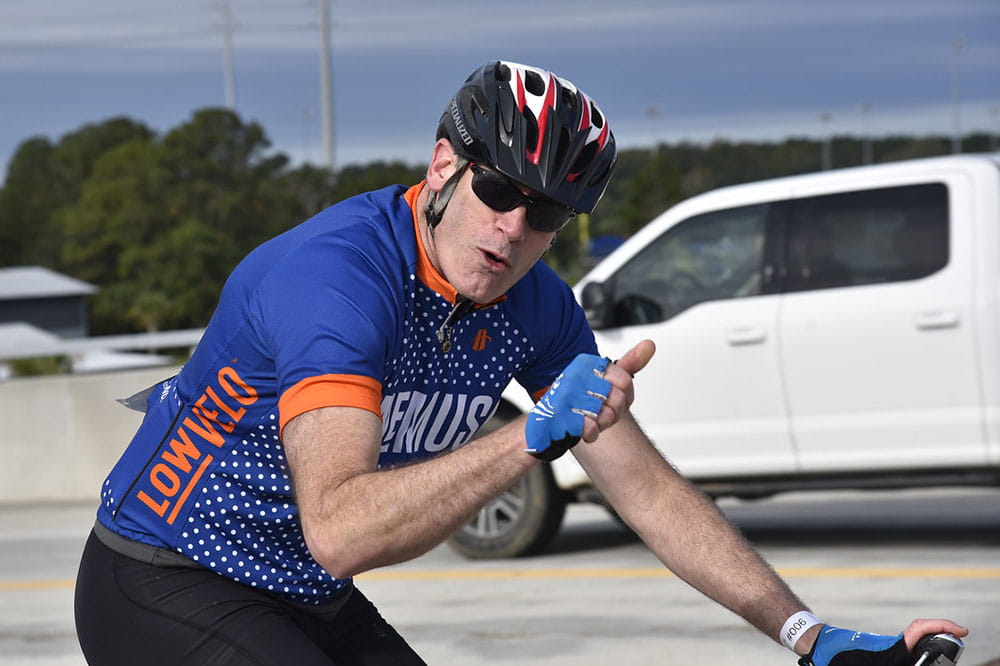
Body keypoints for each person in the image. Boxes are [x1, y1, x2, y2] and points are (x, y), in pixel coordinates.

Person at [74, 60, 966, 665]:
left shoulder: (536, 305)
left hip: (301, 592)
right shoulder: (338, 279)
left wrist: (807, 634)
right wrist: (527, 440)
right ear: (442, 167)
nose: (513, 228)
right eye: (499, 190)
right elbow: (341, 529)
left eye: (546, 214)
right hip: (166, 575)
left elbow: (646, 492)